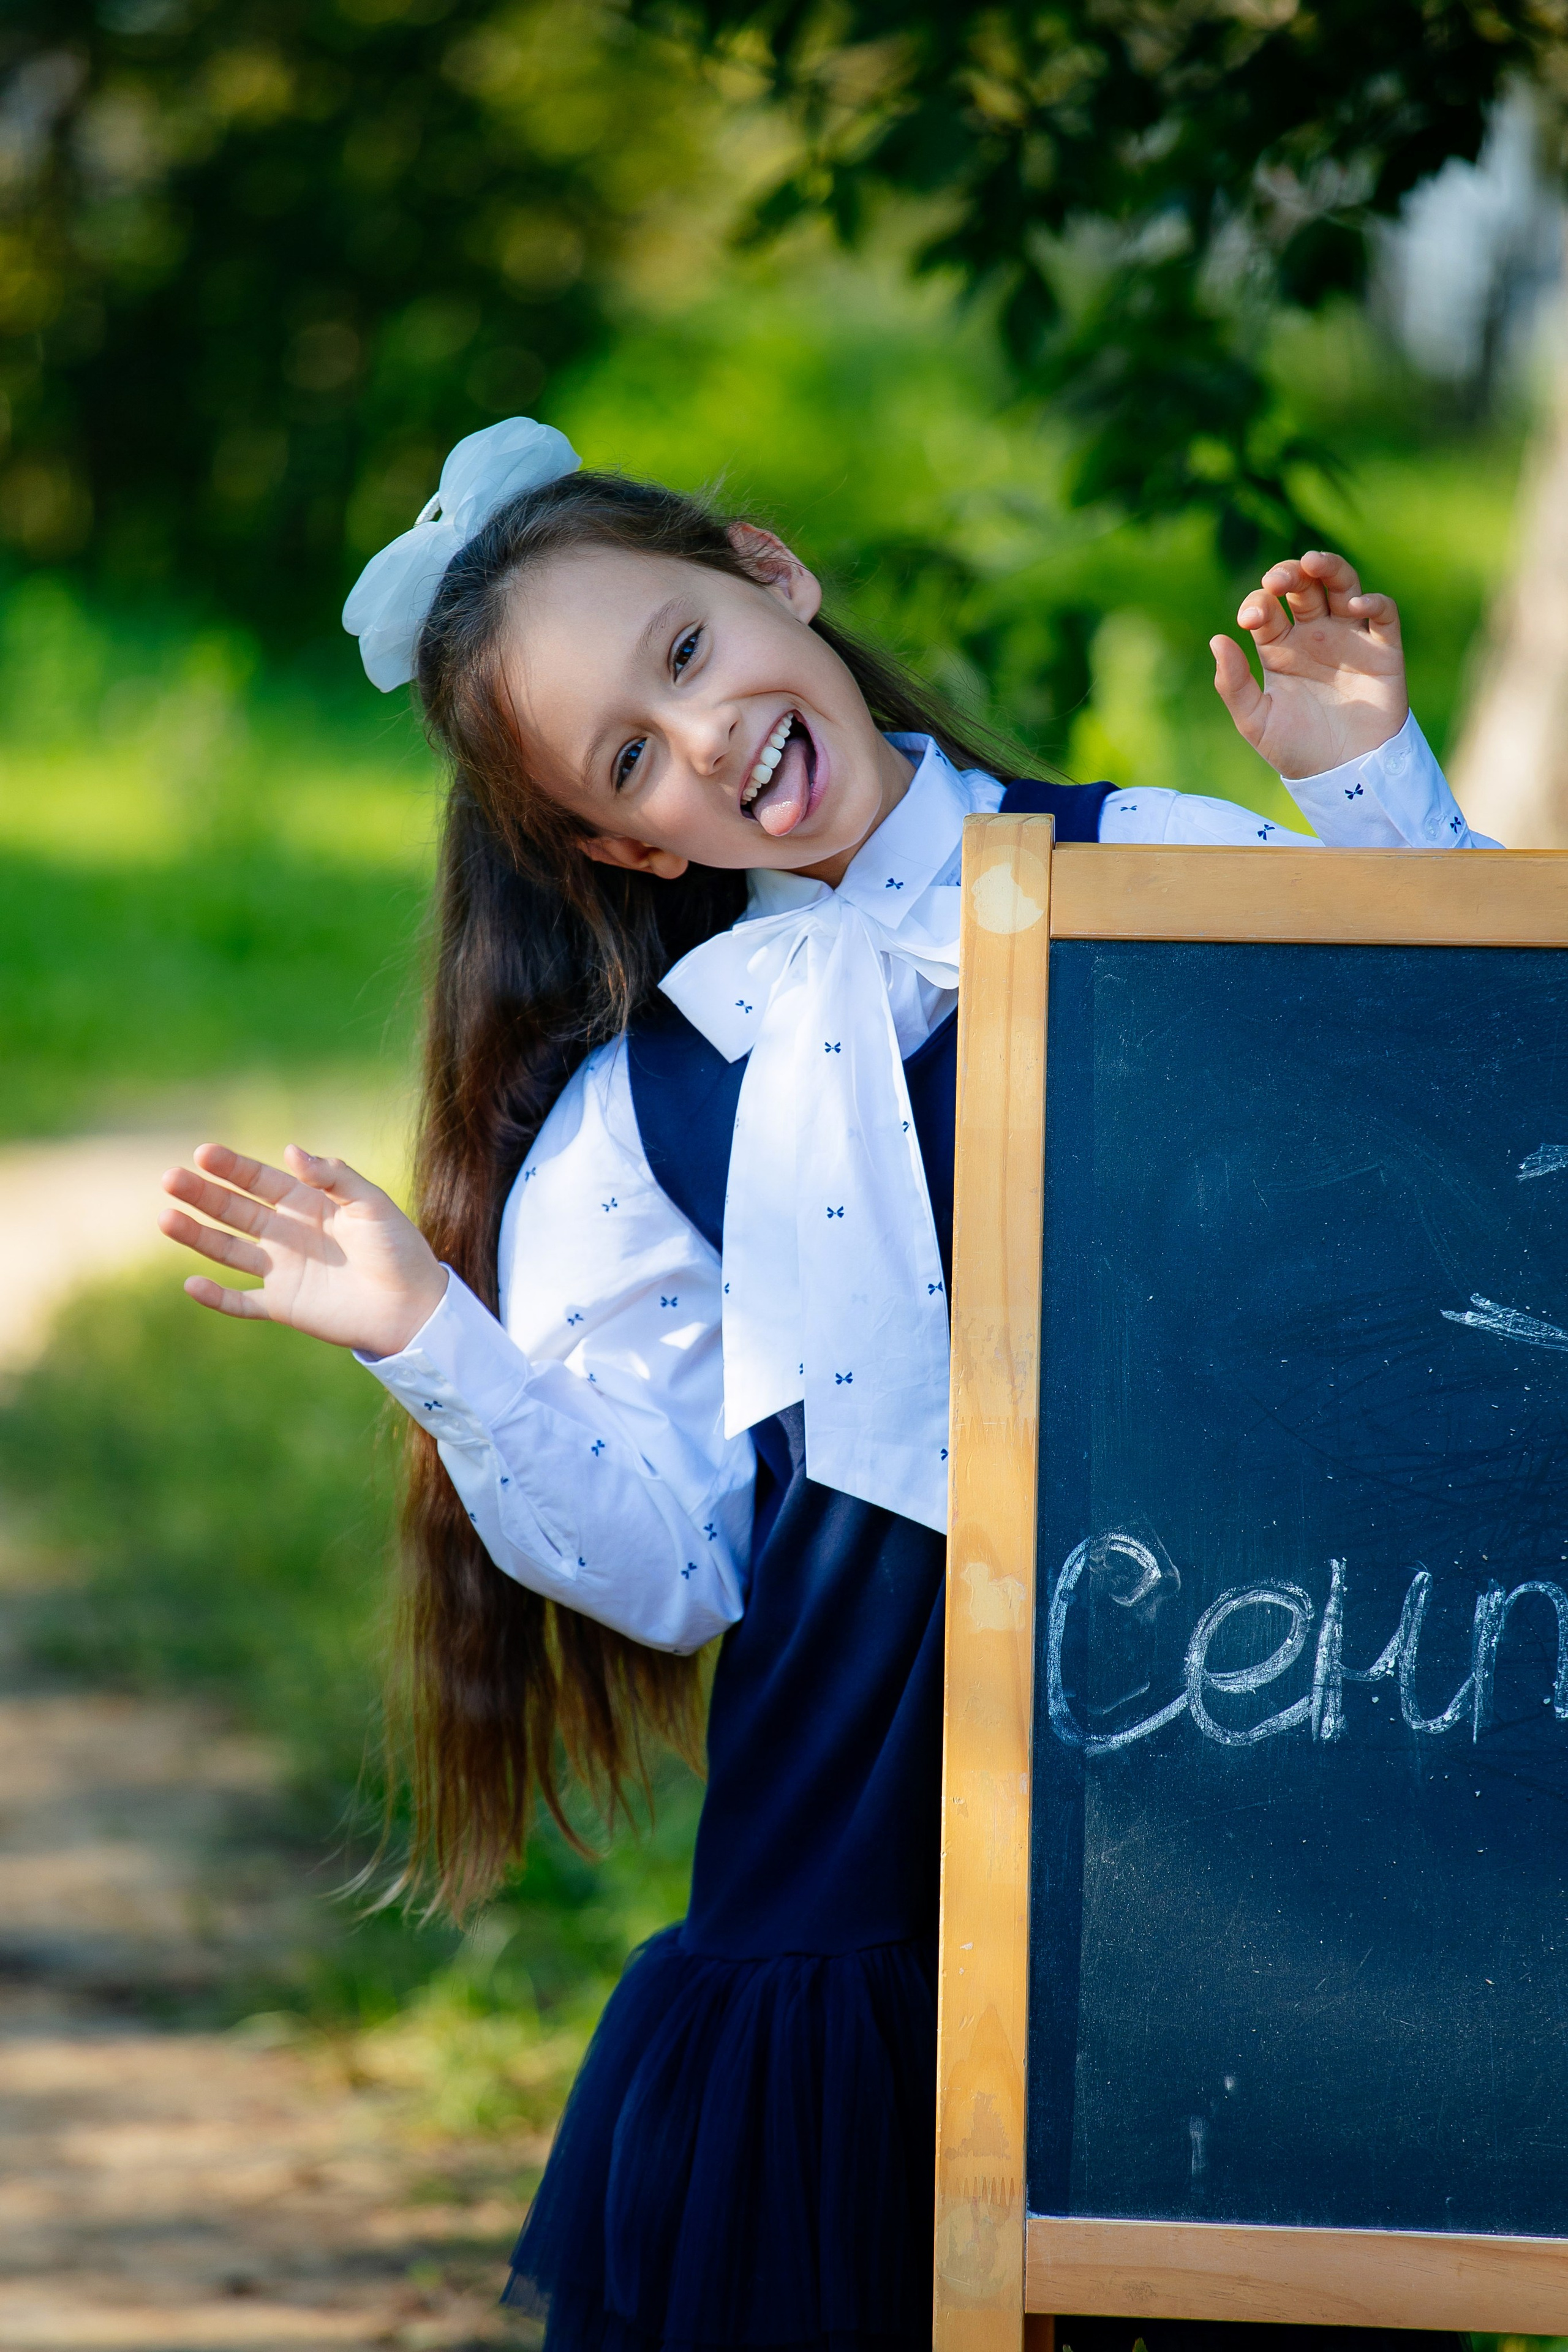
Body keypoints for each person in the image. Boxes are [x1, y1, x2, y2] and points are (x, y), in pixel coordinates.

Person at [157, 418, 1494, 2352]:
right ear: (622, 844)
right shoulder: (646, 1115)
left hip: (1249, 1753)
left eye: (687, 654)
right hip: (862, 1845)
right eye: (628, 756)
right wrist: (429, 1335)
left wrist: (1365, 785)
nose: (700, 737)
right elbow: (680, 1563)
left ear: (770, 575)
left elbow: (1478, 1132)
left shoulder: (1176, 872)